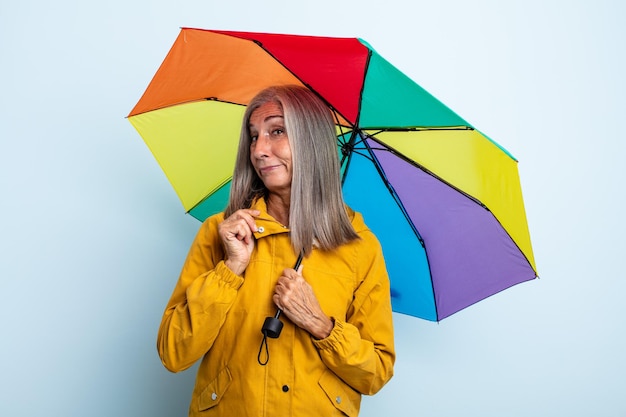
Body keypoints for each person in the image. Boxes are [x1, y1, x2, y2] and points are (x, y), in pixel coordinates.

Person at [157, 85, 395, 417]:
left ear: (311, 142)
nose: (258, 150)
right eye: (254, 136)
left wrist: (320, 325)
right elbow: (173, 352)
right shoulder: (221, 232)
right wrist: (230, 270)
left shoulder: (359, 247)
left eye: (277, 131)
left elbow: (376, 373)